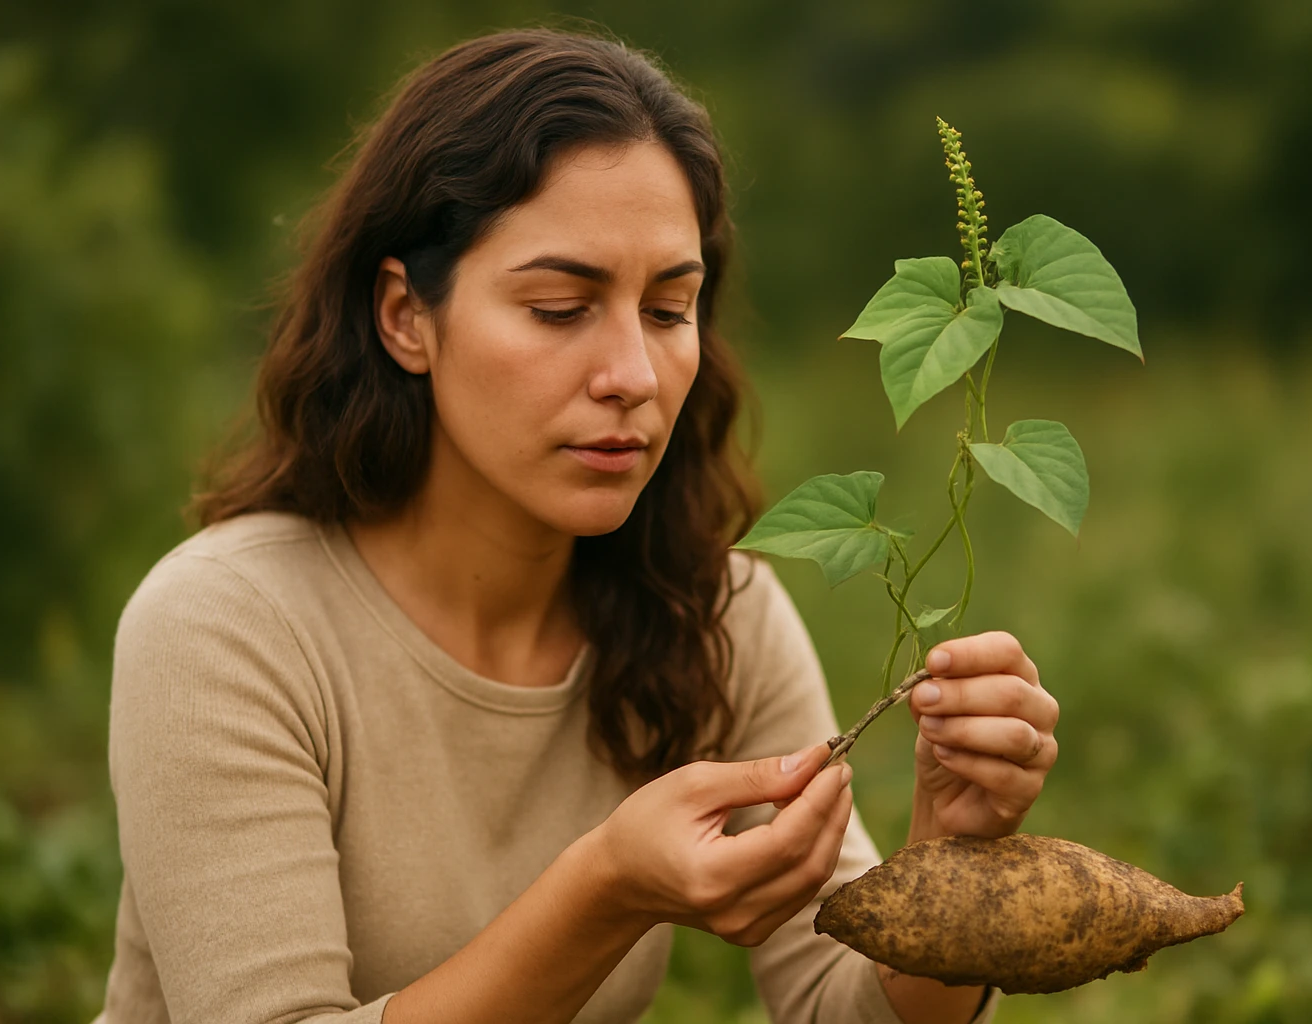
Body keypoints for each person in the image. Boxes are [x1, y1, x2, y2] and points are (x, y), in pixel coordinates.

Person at [99, 27, 1060, 1024]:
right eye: (561, 307)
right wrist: (604, 890)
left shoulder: (711, 610)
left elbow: (835, 1001)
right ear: (404, 316)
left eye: (668, 308)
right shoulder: (227, 624)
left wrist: (953, 867)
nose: (633, 377)